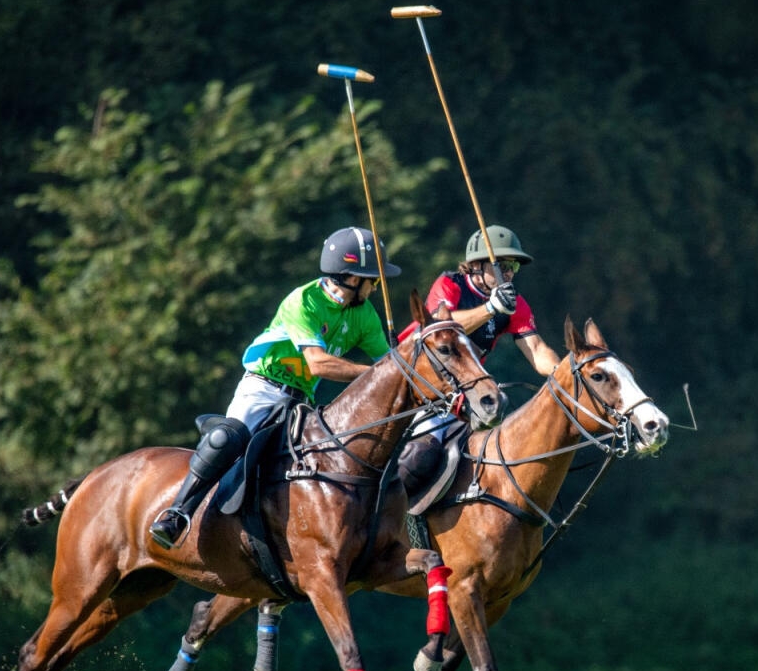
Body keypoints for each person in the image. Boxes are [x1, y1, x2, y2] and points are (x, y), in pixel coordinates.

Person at [150, 226, 401, 549]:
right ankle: (176, 514)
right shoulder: (304, 301)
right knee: (228, 439)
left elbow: (389, 363)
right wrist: (376, 376)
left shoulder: (365, 315)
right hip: (263, 389)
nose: (376, 288)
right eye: (374, 280)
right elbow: (318, 364)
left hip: (303, 402)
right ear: (350, 277)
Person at [395, 224, 560, 501]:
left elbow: (536, 348)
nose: (508, 274)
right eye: (503, 266)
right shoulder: (450, 284)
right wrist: (490, 309)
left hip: (457, 390)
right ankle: (387, 521)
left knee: (484, 454)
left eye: (513, 268)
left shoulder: (514, 304)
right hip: (413, 381)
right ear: (475, 265)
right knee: (420, 457)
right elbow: (442, 325)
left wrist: (565, 374)